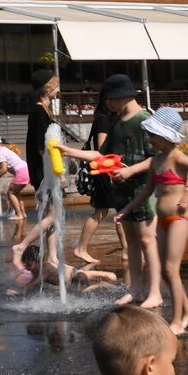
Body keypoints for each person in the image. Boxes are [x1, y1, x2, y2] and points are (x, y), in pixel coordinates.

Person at [114, 106, 188, 336]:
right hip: (163, 219)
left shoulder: (177, 156)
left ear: (164, 135)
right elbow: (147, 190)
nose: (150, 139)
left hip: (179, 217)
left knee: (170, 269)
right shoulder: (157, 160)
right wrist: (127, 209)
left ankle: (177, 321)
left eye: (152, 135)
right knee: (167, 271)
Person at [93, 75, 161, 309]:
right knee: (131, 240)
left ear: (117, 97)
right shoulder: (117, 123)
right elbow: (103, 155)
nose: (107, 107)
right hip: (122, 191)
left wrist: (131, 170)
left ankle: (154, 292)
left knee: (146, 239)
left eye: (108, 101)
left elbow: (157, 158)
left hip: (142, 191)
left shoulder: (145, 121)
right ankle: (135, 289)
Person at [72, 90, 117, 266]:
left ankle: (128, 248)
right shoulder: (104, 120)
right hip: (104, 172)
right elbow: (101, 149)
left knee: (109, 212)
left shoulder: (103, 118)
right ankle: (81, 248)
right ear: (107, 101)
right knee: (103, 212)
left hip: (105, 171)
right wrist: (112, 171)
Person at [0, 134, 28, 221]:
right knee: (16, 193)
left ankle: (19, 214)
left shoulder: (1, 153)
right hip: (26, 170)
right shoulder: (5, 149)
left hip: (21, 172)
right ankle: (23, 213)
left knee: (10, 193)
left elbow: (3, 169)